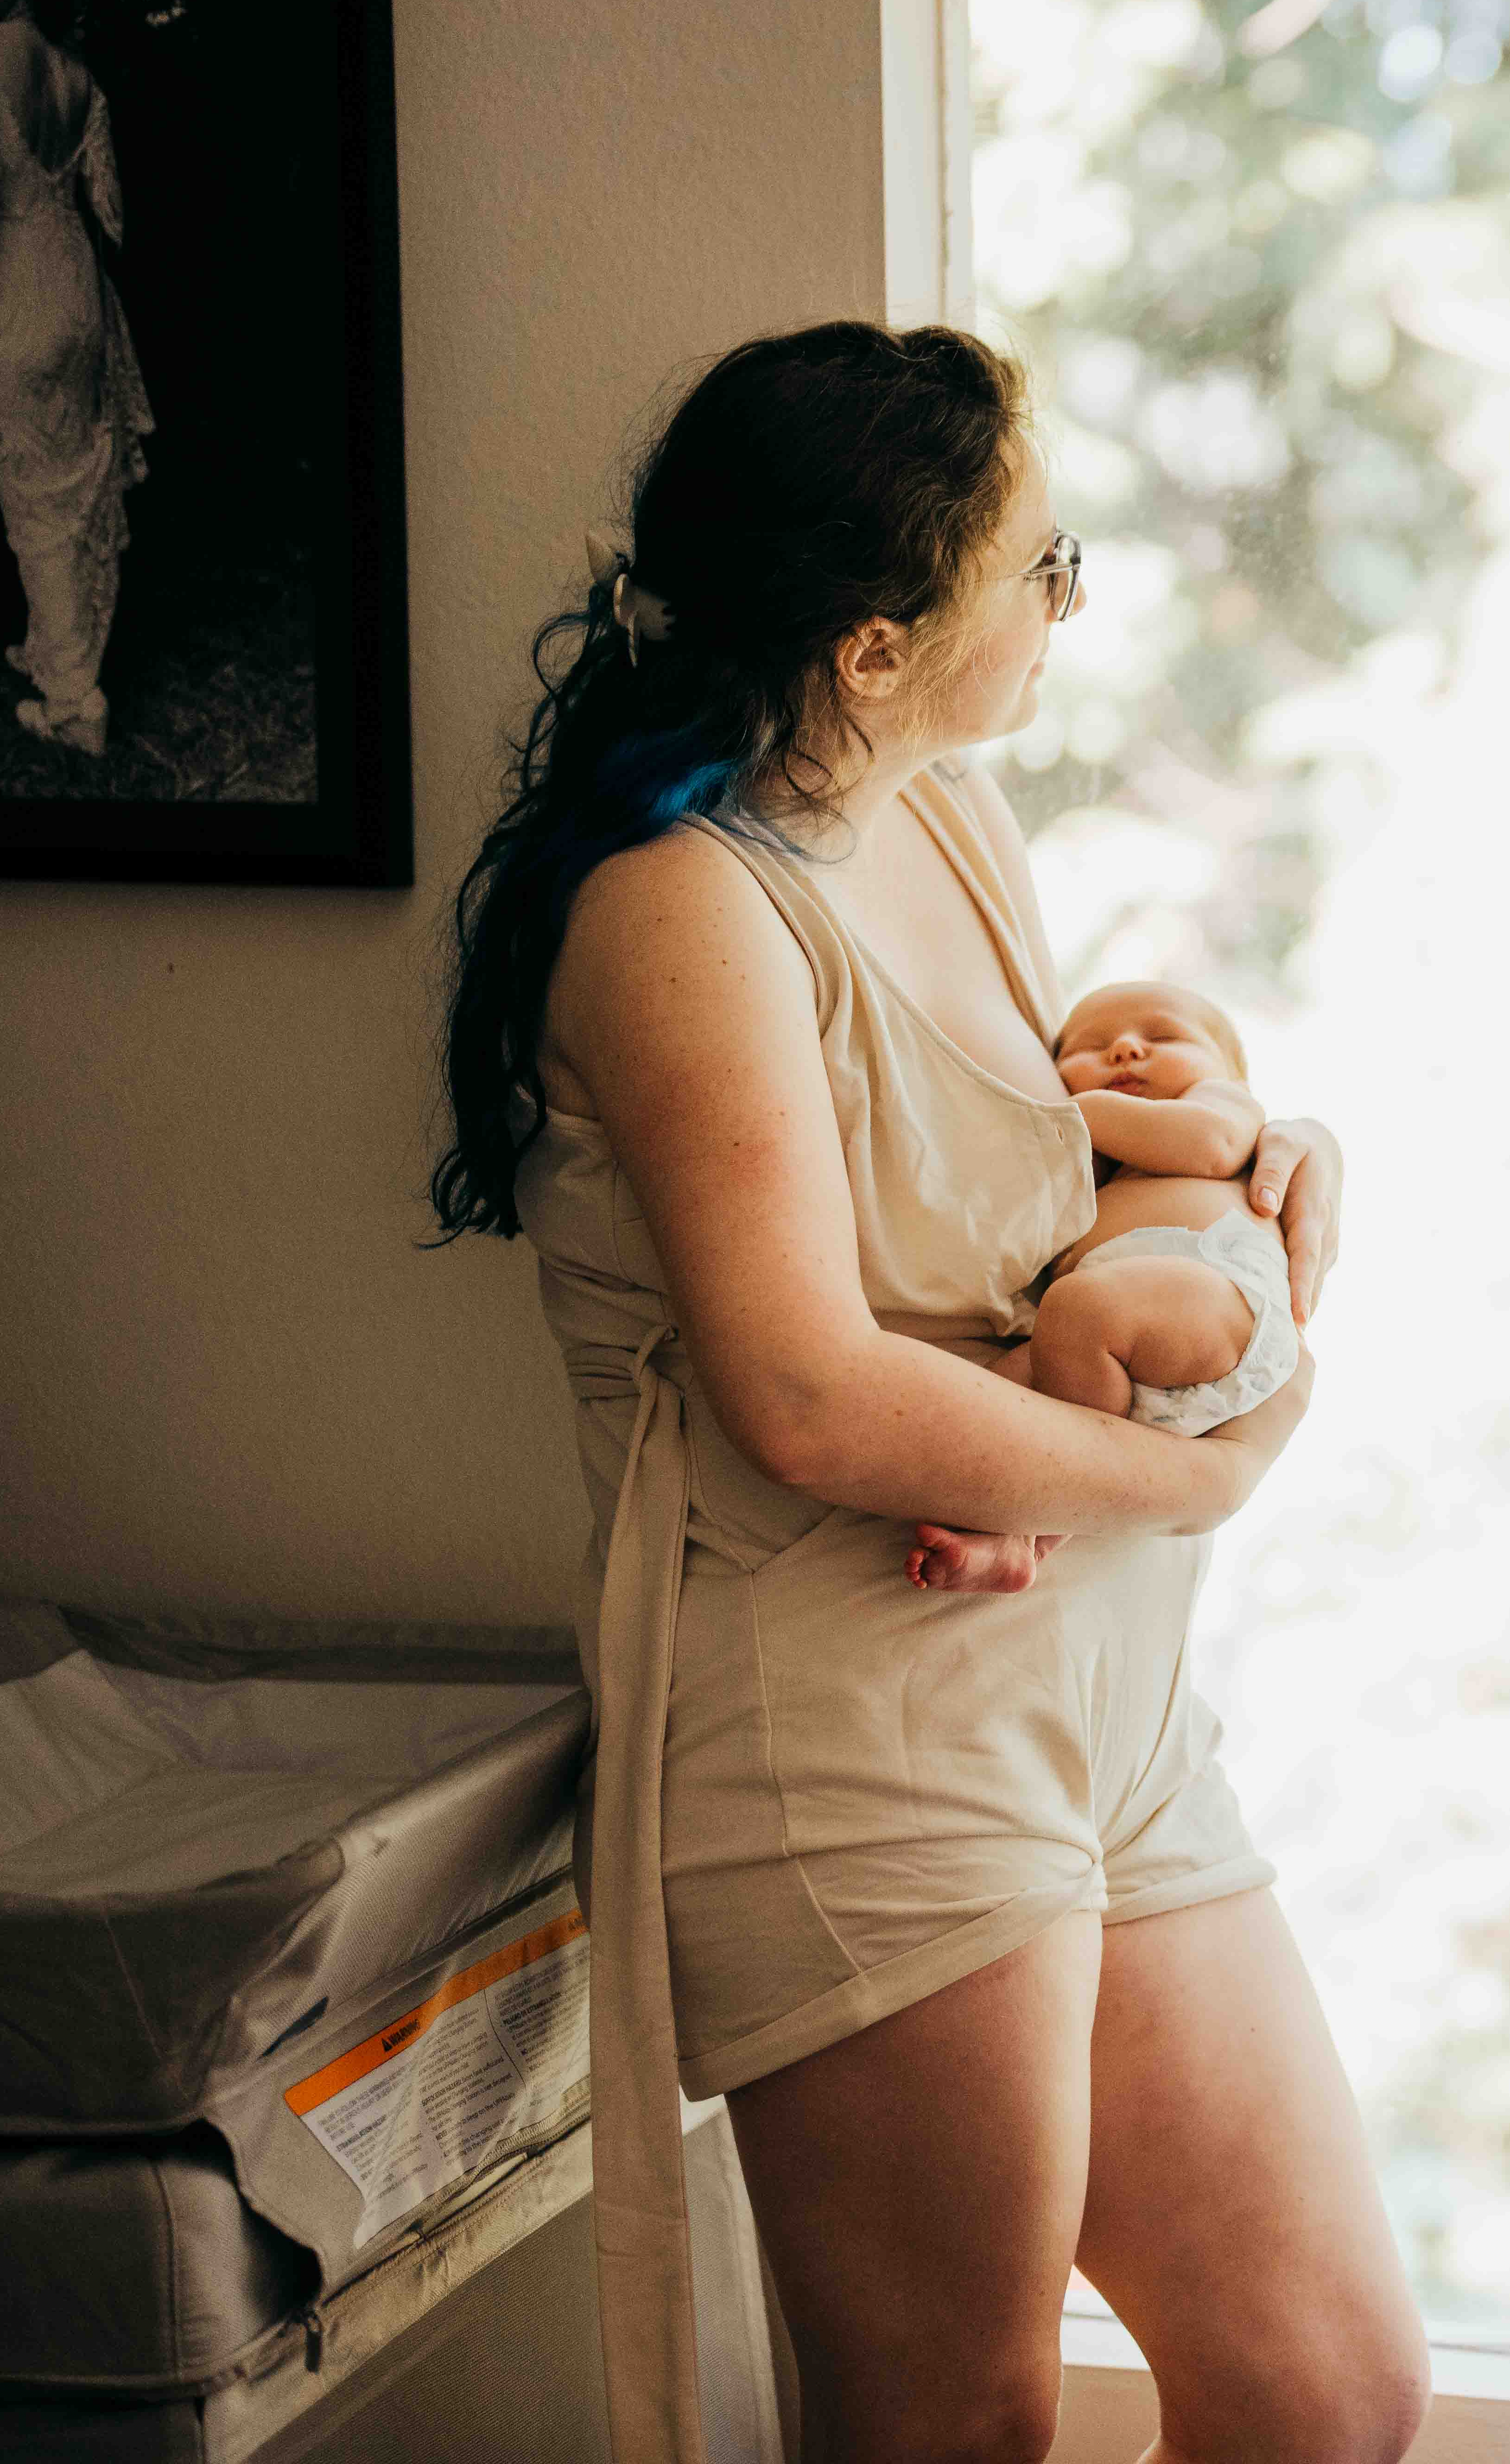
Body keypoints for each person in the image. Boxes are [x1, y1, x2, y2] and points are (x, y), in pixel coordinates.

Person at [430, 322, 1423, 2464]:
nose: (1073, 600)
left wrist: (1244, 1146)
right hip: (868, 1724)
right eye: (1040, 565)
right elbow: (806, 1387)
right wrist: (1189, 1476)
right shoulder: (680, 913)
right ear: (875, 645)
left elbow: (1017, 1182)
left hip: (1099, 1703)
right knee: (946, 2429)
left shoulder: (944, 820)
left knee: (1326, 2387)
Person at [906, 978, 1310, 1598]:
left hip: (1215, 1291)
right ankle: (1025, 1541)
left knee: (1077, 1313)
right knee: (966, 1409)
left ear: (1234, 1072)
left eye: (1164, 1036)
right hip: (1120, 1358)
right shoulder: (1099, 1172)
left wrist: (1085, 1111)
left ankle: (1039, 1513)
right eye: (1088, 1047)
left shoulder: (1227, 1108)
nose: (1124, 1048)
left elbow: (1211, 1145)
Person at [0, 0, 147, 758]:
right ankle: (56, 652)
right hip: (82, 295)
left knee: (37, 501)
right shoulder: (78, 76)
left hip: (17, 297)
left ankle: (75, 705)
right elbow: (111, 213)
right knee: (73, 489)